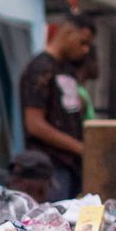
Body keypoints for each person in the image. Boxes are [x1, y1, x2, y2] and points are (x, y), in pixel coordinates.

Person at [19, 15, 95, 199]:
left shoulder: (66, 69)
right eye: (82, 42)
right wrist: (80, 147)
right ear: (68, 33)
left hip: (70, 169)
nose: (85, 50)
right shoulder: (40, 68)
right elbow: (34, 124)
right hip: (49, 170)